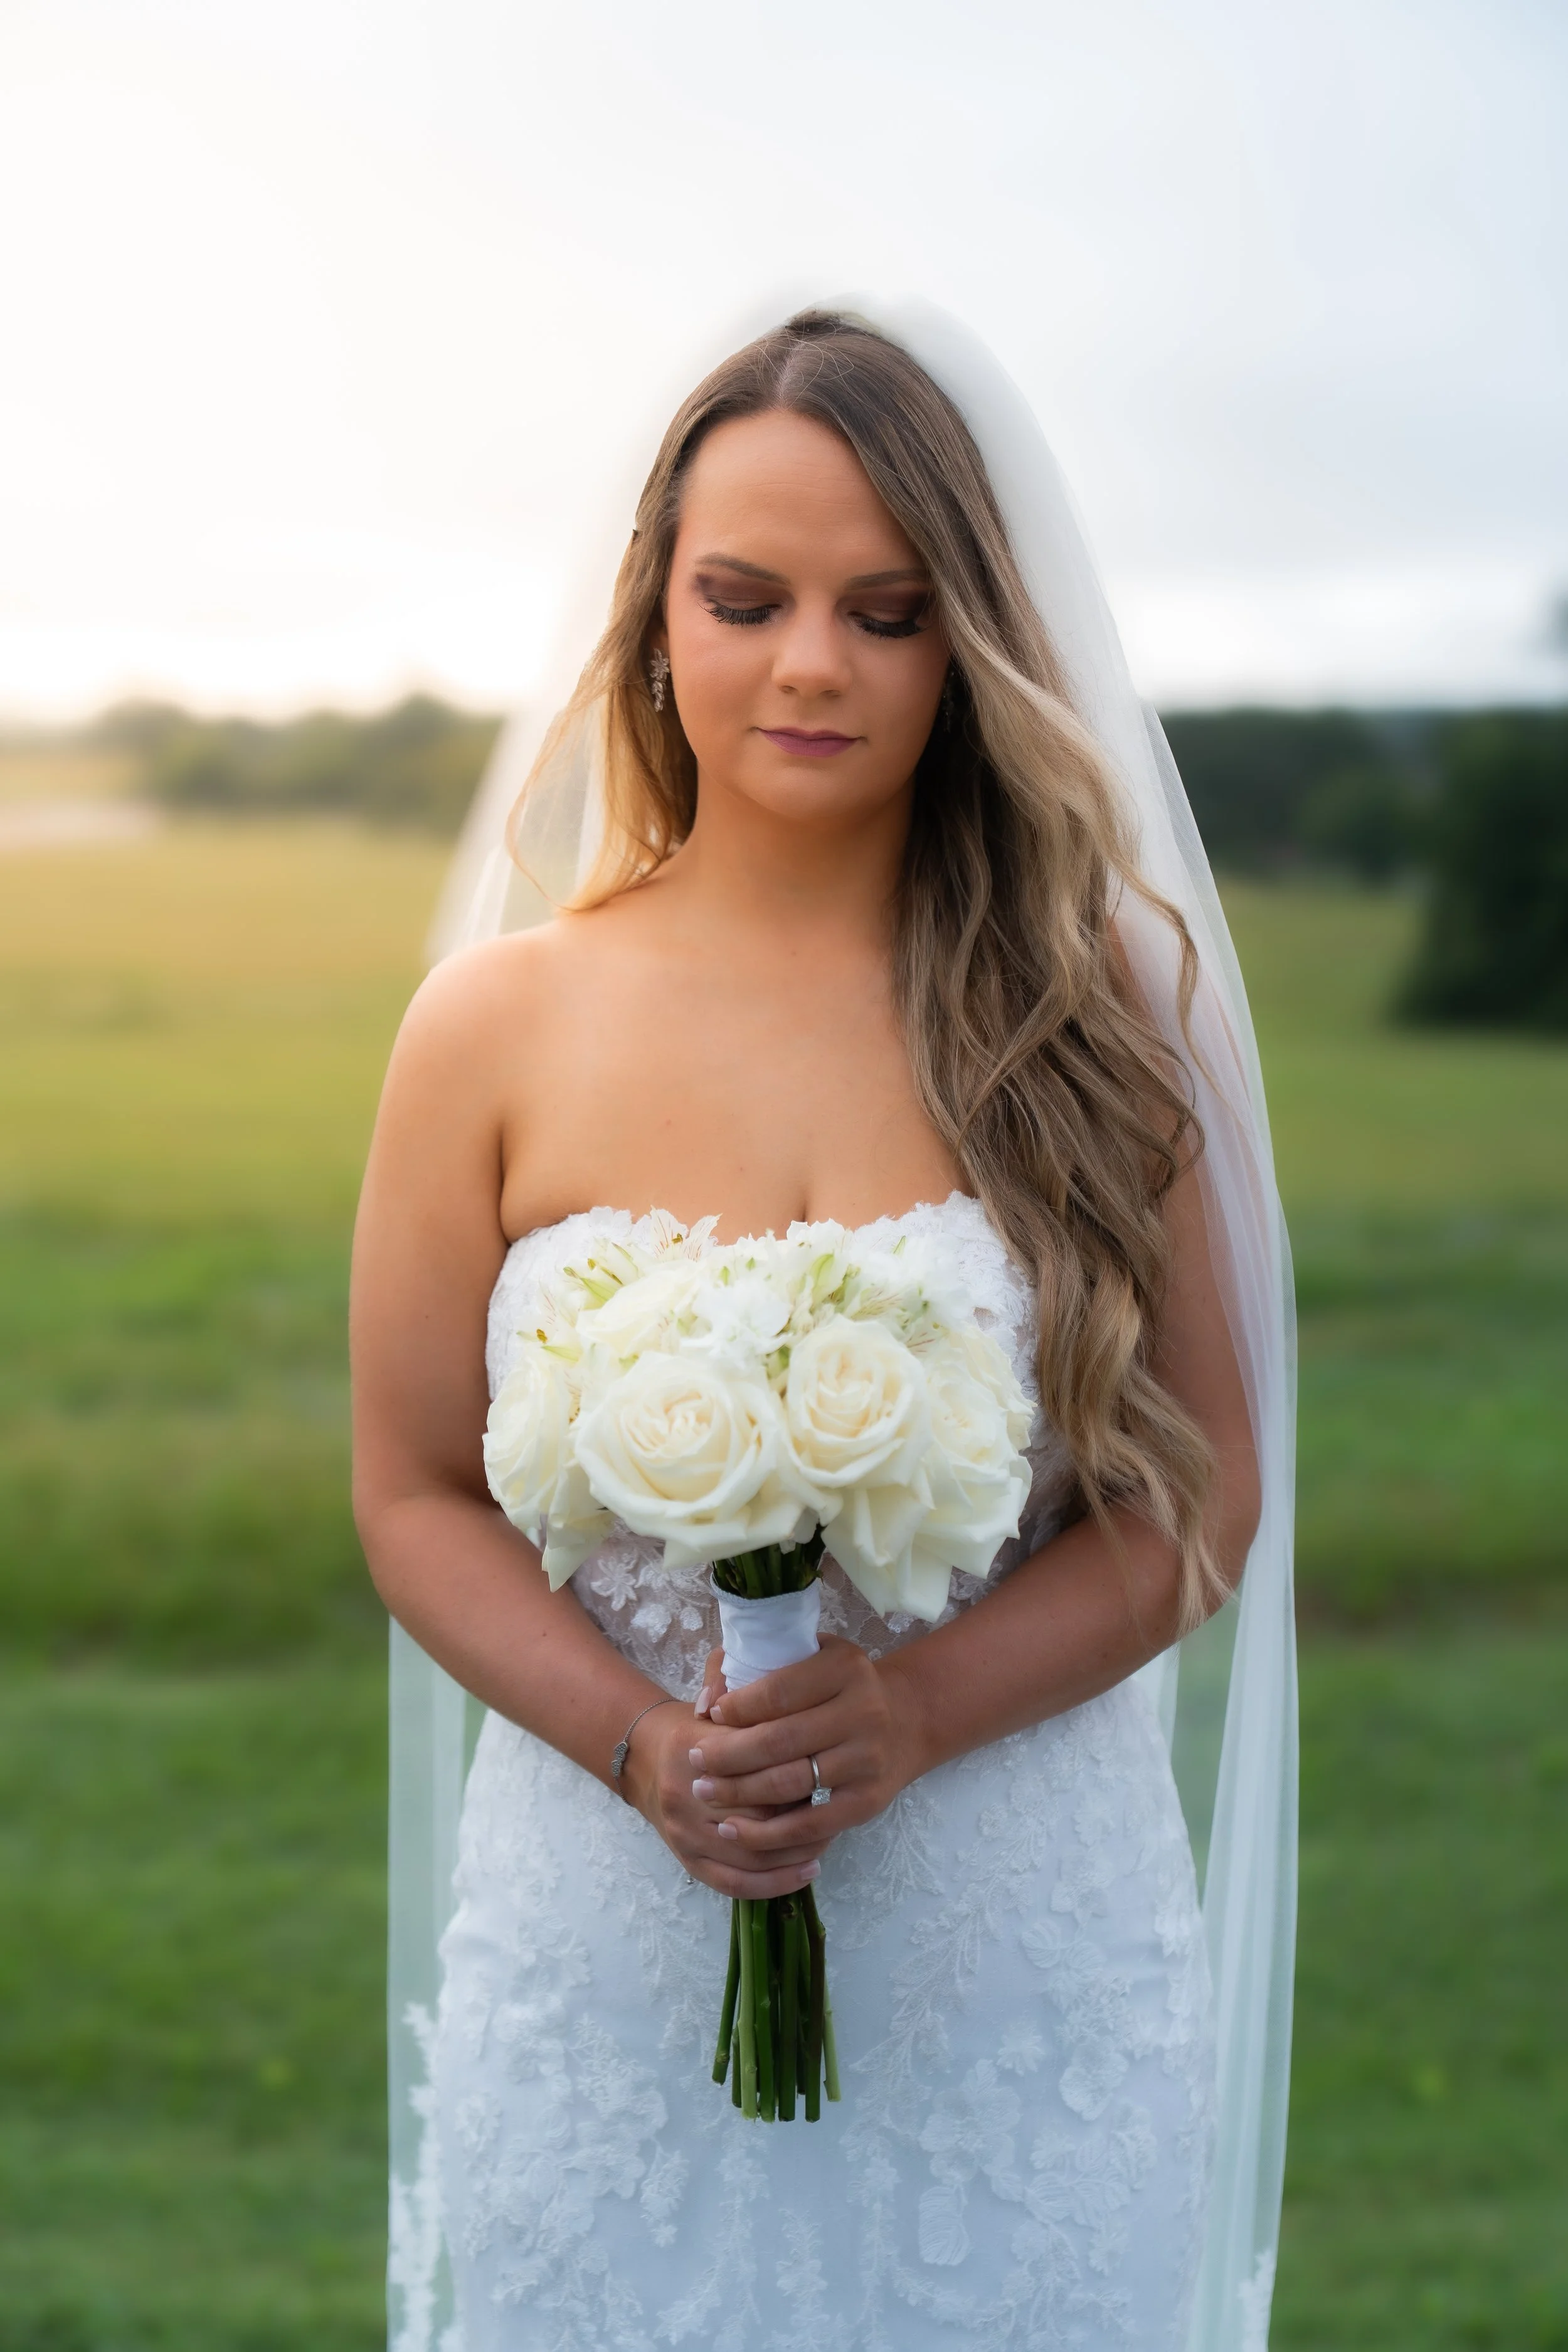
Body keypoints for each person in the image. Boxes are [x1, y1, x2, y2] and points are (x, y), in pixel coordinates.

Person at [352, 305, 1297, 2352]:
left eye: (887, 610)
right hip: (610, 1925)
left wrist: (919, 1711)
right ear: (652, 611)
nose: (809, 664)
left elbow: (1196, 1498)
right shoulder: (494, 1027)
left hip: (1008, 1934)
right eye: (744, 595)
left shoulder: (1092, 1006)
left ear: (971, 640)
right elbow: (412, 1484)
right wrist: (638, 1746)